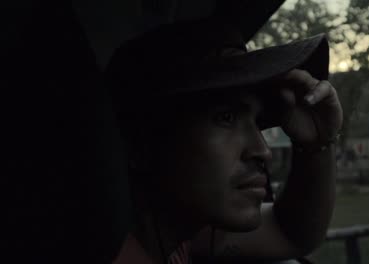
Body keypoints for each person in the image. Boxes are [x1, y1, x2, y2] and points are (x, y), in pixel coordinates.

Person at [106, 18, 343, 264]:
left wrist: (316, 146)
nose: (263, 151)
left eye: (257, 120)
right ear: (141, 142)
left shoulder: (173, 235)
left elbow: (289, 234)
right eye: (226, 117)